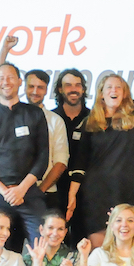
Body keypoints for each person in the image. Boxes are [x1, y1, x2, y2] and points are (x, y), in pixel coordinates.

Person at [68, 26, 134, 246]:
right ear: (102, 94)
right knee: (99, 246)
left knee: (127, 242)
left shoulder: (131, 116)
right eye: (109, 87)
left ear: (123, 94)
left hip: (128, 187)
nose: (114, 90)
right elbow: (80, 162)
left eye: (119, 87)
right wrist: (72, 197)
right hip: (96, 192)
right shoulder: (89, 123)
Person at [0, 60, 49, 252]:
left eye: (10, 77)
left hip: (28, 193)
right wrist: (5, 191)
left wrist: (21, 189)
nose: (6, 82)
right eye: (1, 78)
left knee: (42, 247)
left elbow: (43, 157)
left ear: (19, 81)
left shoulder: (34, 114)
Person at [0, 38, 69, 207]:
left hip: (44, 192)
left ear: (46, 90)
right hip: (9, 193)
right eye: (31, 86)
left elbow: (60, 162)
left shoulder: (55, 121)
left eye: (40, 88)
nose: (35, 92)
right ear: (22, 86)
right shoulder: (8, 110)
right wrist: (4, 50)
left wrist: (37, 192)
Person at [52, 68, 90, 220]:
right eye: (68, 85)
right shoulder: (51, 118)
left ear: (83, 89)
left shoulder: (93, 118)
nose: (73, 89)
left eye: (77, 85)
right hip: (56, 186)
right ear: (60, 89)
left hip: (87, 188)